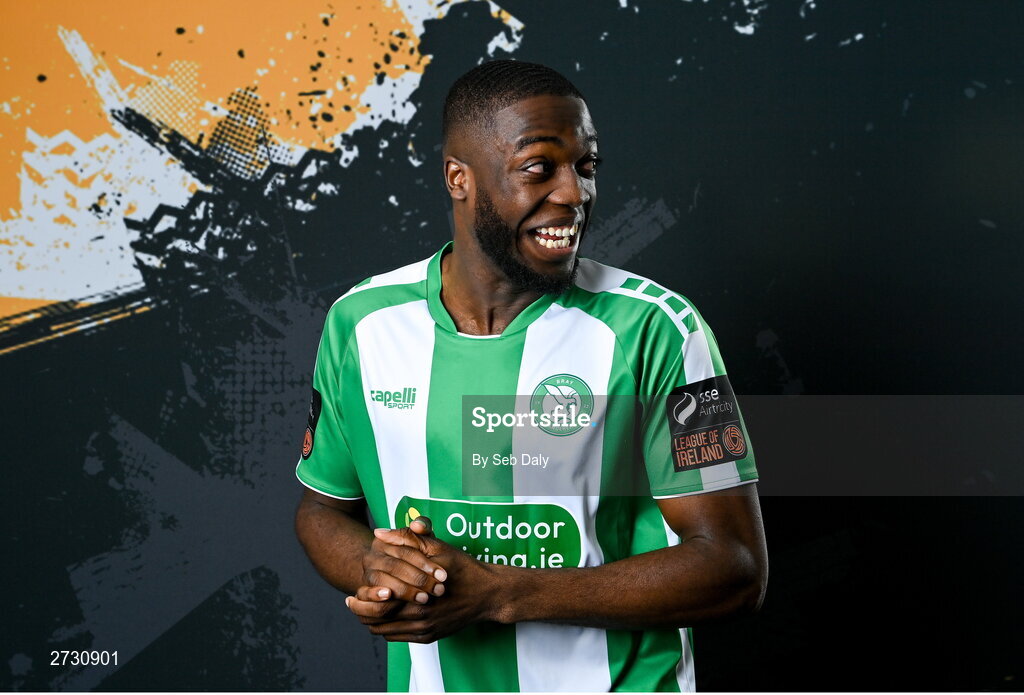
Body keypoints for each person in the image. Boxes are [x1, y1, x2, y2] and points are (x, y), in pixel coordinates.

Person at [294, 60, 767, 692]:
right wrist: (378, 565)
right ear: (458, 178)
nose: (575, 193)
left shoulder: (660, 330)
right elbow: (321, 510)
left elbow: (735, 566)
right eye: (540, 167)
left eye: (586, 166)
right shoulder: (361, 323)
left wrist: (501, 595)